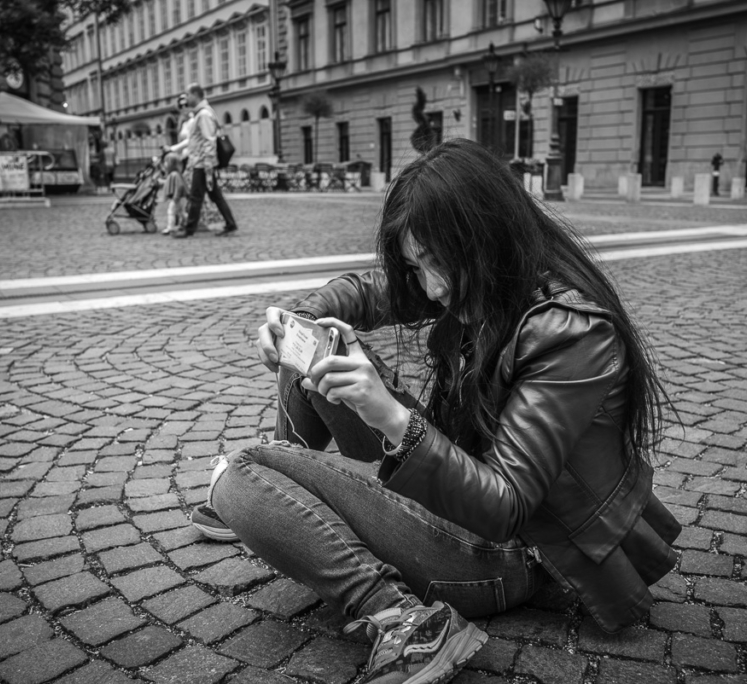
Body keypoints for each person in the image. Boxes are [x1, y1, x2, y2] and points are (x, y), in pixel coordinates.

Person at [190, 139, 681, 684]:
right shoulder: (482, 277)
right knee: (313, 362)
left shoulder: (571, 332)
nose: (434, 286)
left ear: (488, 236)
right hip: (455, 498)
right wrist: (300, 319)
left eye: (439, 262)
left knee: (241, 474)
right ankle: (293, 505)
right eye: (415, 263)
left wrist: (391, 416)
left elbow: (506, 506)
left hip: (512, 555)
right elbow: (372, 292)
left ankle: (400, 617)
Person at [164, 83, 237, 237]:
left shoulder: (203, 114)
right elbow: (195, 140)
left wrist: (208, 166)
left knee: (196, 196)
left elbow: (209, 141)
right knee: (214, 195)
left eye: (188, 95)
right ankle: (230, 223)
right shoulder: (201, 113)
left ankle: (189, 229)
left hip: (203, 163)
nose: (186, 98)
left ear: (196, 95)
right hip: (201, 162)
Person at [161, 153, 186, 235]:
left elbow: (179, 186)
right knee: (181, 212)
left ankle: (170, 227)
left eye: (166, 162)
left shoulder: (174, 174)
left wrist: (176, 197)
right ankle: (188, 223)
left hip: (176, 198)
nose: (164, 164)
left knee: (171, 211)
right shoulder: (173, 174)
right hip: (177, 198)